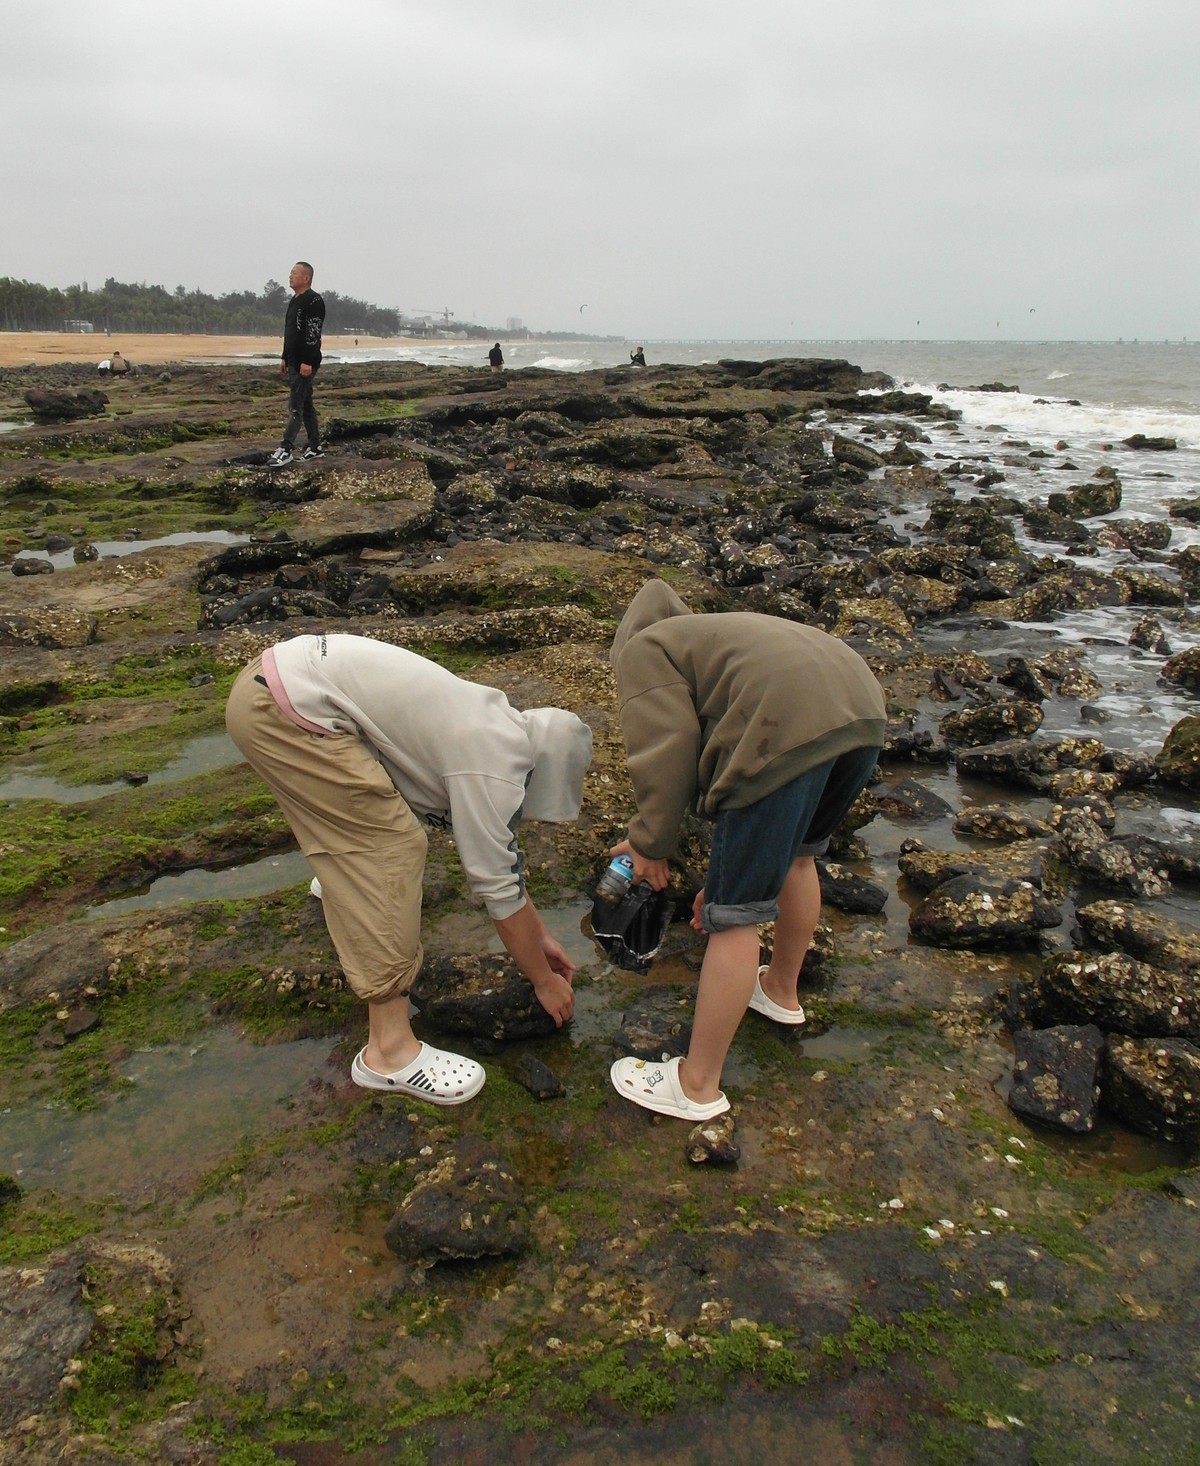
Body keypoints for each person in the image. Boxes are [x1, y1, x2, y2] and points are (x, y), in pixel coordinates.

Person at [226, 633, 593, 1106]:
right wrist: (543, 981)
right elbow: (496, 886)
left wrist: (538, 937)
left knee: (371, 818)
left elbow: (500, 851)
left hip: (275, 688)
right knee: (393, 847)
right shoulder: (493, 765)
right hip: (283, 709)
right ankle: (388, 1053)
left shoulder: (499, 724)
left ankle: (343, 886)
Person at [606, 580, 884, 1121]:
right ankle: (780, 992)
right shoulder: (715, 639)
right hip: (861, 708)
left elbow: (666, 755)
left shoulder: (645, 651)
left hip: (786, 718)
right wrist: (735, 862)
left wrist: (649, 845)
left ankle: (696, 1085)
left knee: (733, 918)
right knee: (800, 858)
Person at [267, 261, 325, 467]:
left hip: (305, 363)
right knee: (306, 404)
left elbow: (313, 333)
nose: (290, 276)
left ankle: (285, 448)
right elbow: (290, 332)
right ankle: (315, 446)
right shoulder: (295, 300)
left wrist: (307, 361)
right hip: (293, 361)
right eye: (290, 273)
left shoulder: (314, 301)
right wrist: (284, 356)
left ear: (306, 278)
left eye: (294, 273)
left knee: (295, 405)